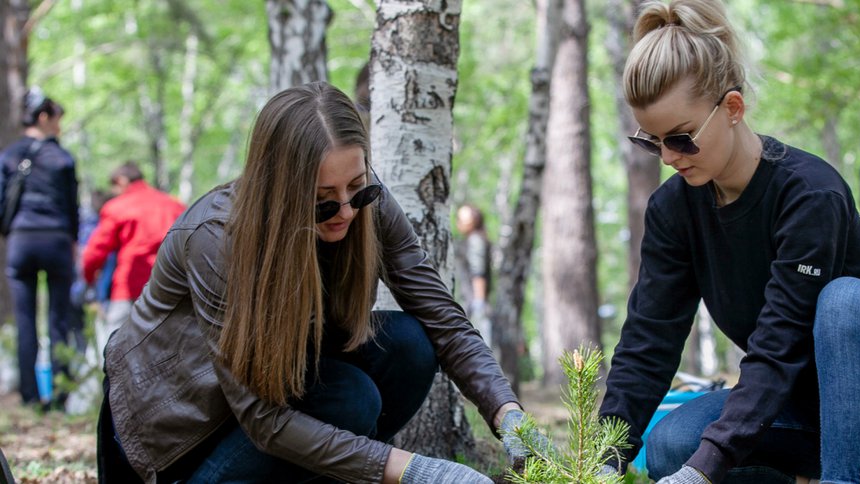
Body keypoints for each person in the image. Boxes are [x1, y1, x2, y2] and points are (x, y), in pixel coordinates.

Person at [597, 2, 860, 483]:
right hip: (805, 407)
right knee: (672, 444)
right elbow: (649, 341)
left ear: (732, 108)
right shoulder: (674, 210)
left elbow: (777, 346)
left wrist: (704, 472)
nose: (669, 157)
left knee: (845, 302)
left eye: (682, 139)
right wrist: (604, 460)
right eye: (653, 142)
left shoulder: (810, 193)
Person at [97, 82, 536, 483]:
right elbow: (262, 417)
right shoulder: (216, 238)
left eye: (357, 188)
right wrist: (413, 471)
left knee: (407, 344)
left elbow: (443, 319)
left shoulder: (366, 204)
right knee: (349, 400)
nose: (346, 211)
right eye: (323, 202)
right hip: (178, 444)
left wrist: (508, 414)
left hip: (277, 395)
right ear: (281, 192)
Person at [0, 88, 79, 409]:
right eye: (57, 121)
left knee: (25, 319)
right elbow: (72, 207)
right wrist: (73, 242)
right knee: (59, 319)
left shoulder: (9, 155)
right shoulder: (61, 157)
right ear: (44, 117)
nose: (59, 128)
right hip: (56, 240)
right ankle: (60, 395)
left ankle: (31, 397)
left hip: (21, 240)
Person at [81, 162, 185, 363]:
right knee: (168, 353)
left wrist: (89, 280)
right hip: (170, 287)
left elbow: (95, 252)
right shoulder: (173, 205)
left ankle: (114, 394)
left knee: (115, 353)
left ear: (120, 181)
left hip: (128, 289)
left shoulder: (117, 207)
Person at [455, 204, 492, 344]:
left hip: (473, 304)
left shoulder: (475, 240)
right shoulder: (472, 239)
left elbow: (478, 272)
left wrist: (479, 302)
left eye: (464, 218)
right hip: (469, 303)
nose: (459, 221)